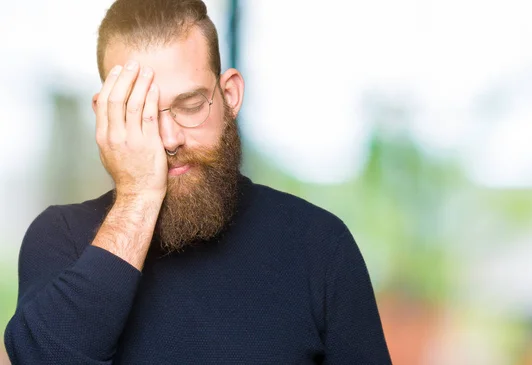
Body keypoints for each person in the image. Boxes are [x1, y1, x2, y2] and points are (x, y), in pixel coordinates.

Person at [3, 0, 391, 363]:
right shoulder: (60, 238)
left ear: (230, 95)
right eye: (141, 115)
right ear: (107, 118)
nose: (170, 139)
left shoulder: (319, 246)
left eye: (190, 106)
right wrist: (138, 195)